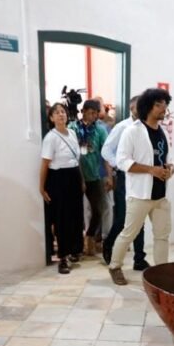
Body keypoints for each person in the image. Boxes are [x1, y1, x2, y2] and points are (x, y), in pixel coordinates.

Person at [107, 88, 174, 285]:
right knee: (129, 234)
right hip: (139, 195)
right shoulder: (132, 131)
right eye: (158, 105)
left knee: (162, 236)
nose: (163, 108)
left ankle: (161, 273)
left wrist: (170, 168)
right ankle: (114, 266)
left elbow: (167, 159)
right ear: (147, 107)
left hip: (160, 196)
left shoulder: (163, 132)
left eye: (165, 104)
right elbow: (122, 161)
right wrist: (151, 170)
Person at [101, 95, 147, 268]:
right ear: (131, 108)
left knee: (139, 217)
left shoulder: (146, 127)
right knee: (122, 217)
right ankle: (108, 245)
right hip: (124, 177)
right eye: (138, 106)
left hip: (141, 177)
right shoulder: (122, 127)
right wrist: (120, 165)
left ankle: (139, 259)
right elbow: (106, 150)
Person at [40, 103, 86, 274]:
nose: (61, 115)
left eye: (63, 112)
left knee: (76, 215)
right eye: (57, 113)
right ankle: (62, 257)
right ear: (51, 118)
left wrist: (81, 180)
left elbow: (76, 160)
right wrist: (41, 187)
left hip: (74, 176)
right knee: (62, 218)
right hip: (58, 179)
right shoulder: (51, 138)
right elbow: (45, 164)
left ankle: (75, 250)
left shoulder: (72, 133)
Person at [69, 100, 113, 257]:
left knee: (98, 210)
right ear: (83, 111)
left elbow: (106, 154)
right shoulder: (72, 128)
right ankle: (75, 248)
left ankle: (89, 237)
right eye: (91, 113)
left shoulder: (100, 130)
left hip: (94, 176)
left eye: (96, 113)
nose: (94, 116)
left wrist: (109, 176)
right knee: (75, 212)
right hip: (75, 175)